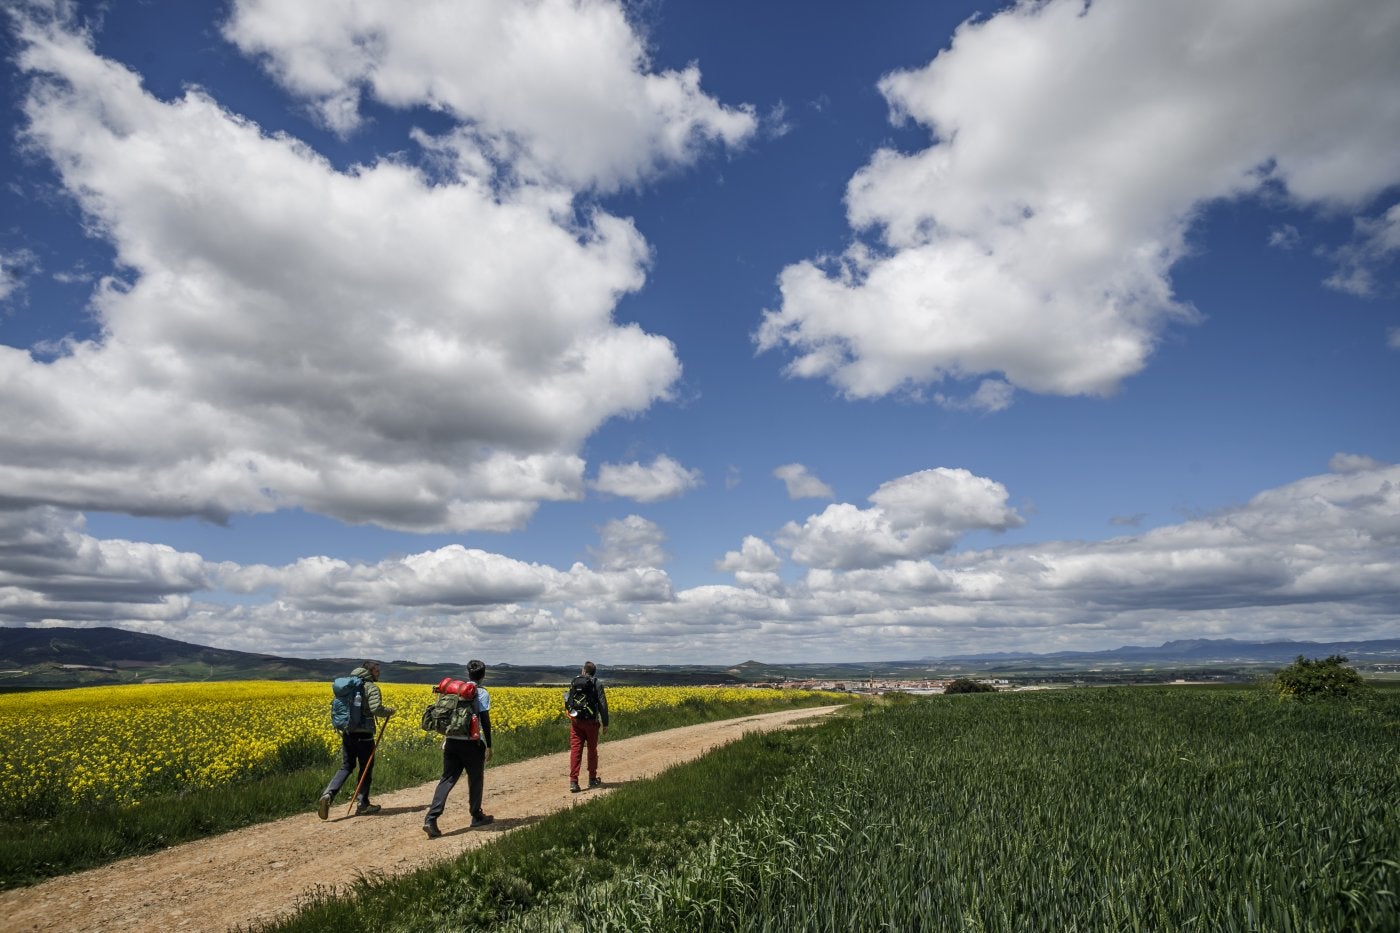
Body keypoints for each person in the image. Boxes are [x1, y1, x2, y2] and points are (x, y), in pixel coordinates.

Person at [423, 659, 494, 837]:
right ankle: (476, 816)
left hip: (451, 741)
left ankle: (431, 818)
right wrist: (489, 746)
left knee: (446, 779)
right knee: (475, 778)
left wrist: (447, 738)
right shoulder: (481, 693)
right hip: (471, 742)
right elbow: (484, 721)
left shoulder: (454, 692)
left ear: (468, 673)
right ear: (483, 675)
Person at [318, 660, 395, 818]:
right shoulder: (370, 687)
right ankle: (363, 804)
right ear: (369, 671)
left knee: (346, 766)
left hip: (348, 733)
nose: (378, 673)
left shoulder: (350, 685)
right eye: (376, 670)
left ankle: (328, 794)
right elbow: (375, 709)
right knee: (366, 767)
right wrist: (389, 711)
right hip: (364, 735)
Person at [566, 660, 609, 793]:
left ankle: (573, 782)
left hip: (576, 722)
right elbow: (602, 704)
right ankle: (592, 779)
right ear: (594, 672)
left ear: (583, 670)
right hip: (591, 722)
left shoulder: (575, 681)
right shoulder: (596, 683)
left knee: (576, 750)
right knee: (592, 750)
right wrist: (605, 723)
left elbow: (568, 700)